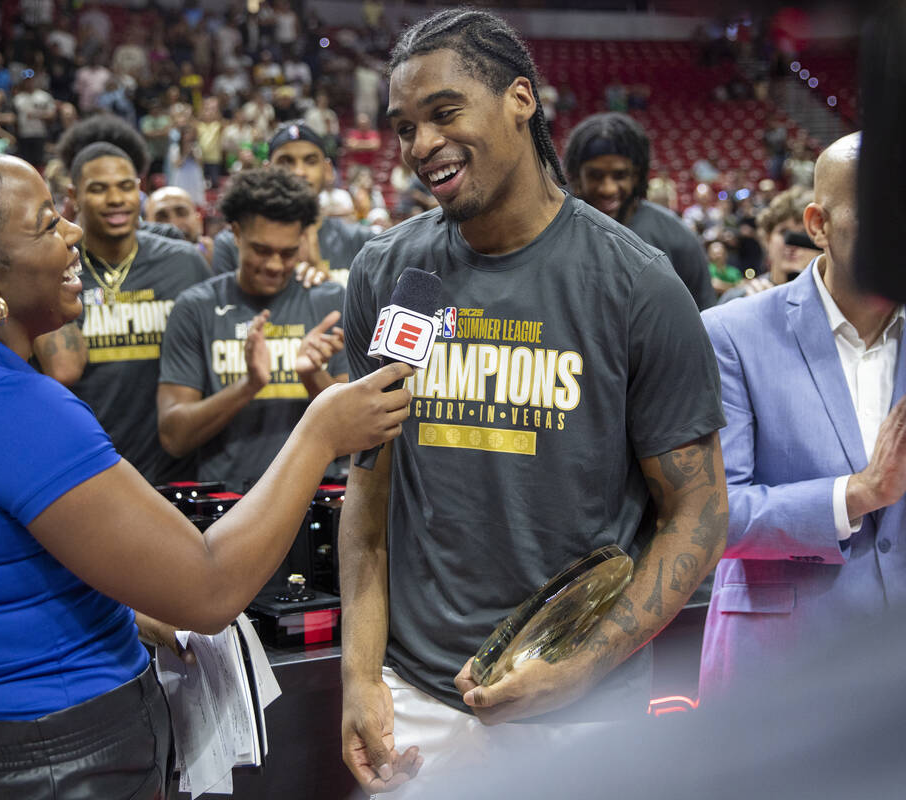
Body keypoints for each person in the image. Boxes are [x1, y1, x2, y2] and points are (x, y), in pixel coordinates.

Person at [0, 147, 412, 797]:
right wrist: (319, 431)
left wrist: (120, 607)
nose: (73, 234)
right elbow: (209, 590)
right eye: (47, 224)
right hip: (66, 763)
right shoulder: (7, 405)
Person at [338, 9, 728, 794]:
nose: (419, 146)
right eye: (405, 127)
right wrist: (359, 674)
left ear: (521, 99)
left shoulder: (638, 285)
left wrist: (578, 670)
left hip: (582, 708)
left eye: (444, 113)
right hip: (415, 699)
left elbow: (698, 510)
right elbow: (369, 491)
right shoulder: (387, 276)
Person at [697, 132, 906, 701]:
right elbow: (712, 516)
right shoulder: (729, 336)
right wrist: (854, 496)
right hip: (781, 672)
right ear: (817, 225)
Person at [157, 167, 348, 491]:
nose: (275, 265)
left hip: (315, 499)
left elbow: (350, 431)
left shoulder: (329, 302)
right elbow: (174, 437)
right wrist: (249, 385)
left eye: (288, 253)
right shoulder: (196, 307)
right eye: (262, 250)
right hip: (227, 504)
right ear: (235, 233)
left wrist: (312, 375)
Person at [33, 143, 209, 484]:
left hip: (175, 473)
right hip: (81, 467)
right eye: (99, 189)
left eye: (126, 186)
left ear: (139, 189)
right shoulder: (57, 266)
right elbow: (62, 369)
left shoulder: (185, 263)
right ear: (74, 195)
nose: (116, 199)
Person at [563, 112, 717, 310]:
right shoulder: (556, 233)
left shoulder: (678, 237)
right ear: (577, 176)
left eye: (619, 175)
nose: (607, 188)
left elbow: (704, 315)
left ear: (636, 176)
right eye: (595, 176)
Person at [211, 121, 376, 286]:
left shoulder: (362, 240)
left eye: (310, 161)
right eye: (286, 162)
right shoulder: (231, 243)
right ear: (268, 170)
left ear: (327, 170)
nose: (299, 172)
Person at [717, 185, 816, 303]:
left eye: (803, 234)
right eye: (784, 232)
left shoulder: (831, 301)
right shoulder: (739, 299)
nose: (792, 243)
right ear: (768, 239)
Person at [145, 185, 213, 264]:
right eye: (161, 217)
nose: (174, 224)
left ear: (198, 220)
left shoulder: (217, 258)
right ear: (147, 225)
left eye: (181, 213)